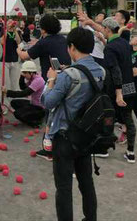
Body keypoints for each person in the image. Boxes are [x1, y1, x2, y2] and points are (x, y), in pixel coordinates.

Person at [41, 27, 104, 221]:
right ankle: (90, 218)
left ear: (72, 47)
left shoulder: (69, 75)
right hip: (87, 134)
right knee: (86, 182)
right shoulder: (101, 71)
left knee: (64, 188)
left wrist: (52, 80)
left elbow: (48, 102)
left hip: (65, 136)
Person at [102, 17, 136, 163]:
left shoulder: (110, 47)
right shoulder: (125, 43)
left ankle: (104, 148)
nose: (102, 31)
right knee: (128, 119)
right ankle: (131, 152)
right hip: (130, 85)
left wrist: (118, 92)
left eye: (103, 28)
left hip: (116, 89)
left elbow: (115, 70)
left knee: (108, 116)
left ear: (108, 30)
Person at [17, 14, 71, 81]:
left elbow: (24, 56)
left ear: (43, 29)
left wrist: (18, 49)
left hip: (51, 80)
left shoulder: (43, 43)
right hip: (67, 76)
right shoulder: (63, 39)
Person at [4, 61, 45, 128]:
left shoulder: (38, 80)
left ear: (31, 72)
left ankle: (35, 122)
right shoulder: (32, 78)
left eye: (25, 73)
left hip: (39, 108)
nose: (24, 74)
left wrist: (8, 92)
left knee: (17, 113)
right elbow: (23, 87)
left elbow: (24, 93)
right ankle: (28, 114)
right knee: (14, 102)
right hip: (33, 104)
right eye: (23, 73)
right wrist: (22, 77)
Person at [0, 19, 21, 95]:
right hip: (5, 60)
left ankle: (13, 95)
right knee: (5, 81)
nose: (11, 23)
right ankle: (4, 95)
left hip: (14, 59)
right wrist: (7, 30)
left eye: (12, 22)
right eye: (9, 22)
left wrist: (15, 30)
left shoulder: (16, 32)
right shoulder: (4, 32)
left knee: (14, 81)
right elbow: (2, 42)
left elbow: (18, 42)